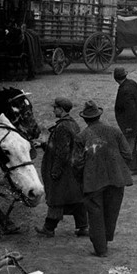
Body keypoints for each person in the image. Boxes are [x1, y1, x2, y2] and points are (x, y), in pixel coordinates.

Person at [74, 100, 133, 258]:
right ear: (99, 116)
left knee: (95, 213)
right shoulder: (115, 131)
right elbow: (128, 154)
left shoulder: (81, 137)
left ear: (85, 119)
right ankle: (105, 239)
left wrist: (82, 179)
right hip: (116, 179)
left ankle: (101, 249)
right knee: (111, 211)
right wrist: (118, 168)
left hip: (93, 181)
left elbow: (77, 163)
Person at [36, 97, 88, 238]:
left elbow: (62, 151)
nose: (53, 110)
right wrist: (44, 145)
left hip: (64, 171)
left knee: (56, 198)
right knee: (76, 198)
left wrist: (55, 171)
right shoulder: (73, 124)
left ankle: (49, 228)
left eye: (55, 108)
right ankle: (83, 227)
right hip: (72, 169)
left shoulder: (62, 127)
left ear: (61, 109)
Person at [113, 66, 137, 175]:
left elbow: (131, 109)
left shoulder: (125, 89)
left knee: (129, 147)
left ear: (115, 78)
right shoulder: (132, 83)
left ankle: (131, 169)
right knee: (131, 145)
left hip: (131, 123)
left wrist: (129, 126)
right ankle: (133, 167)